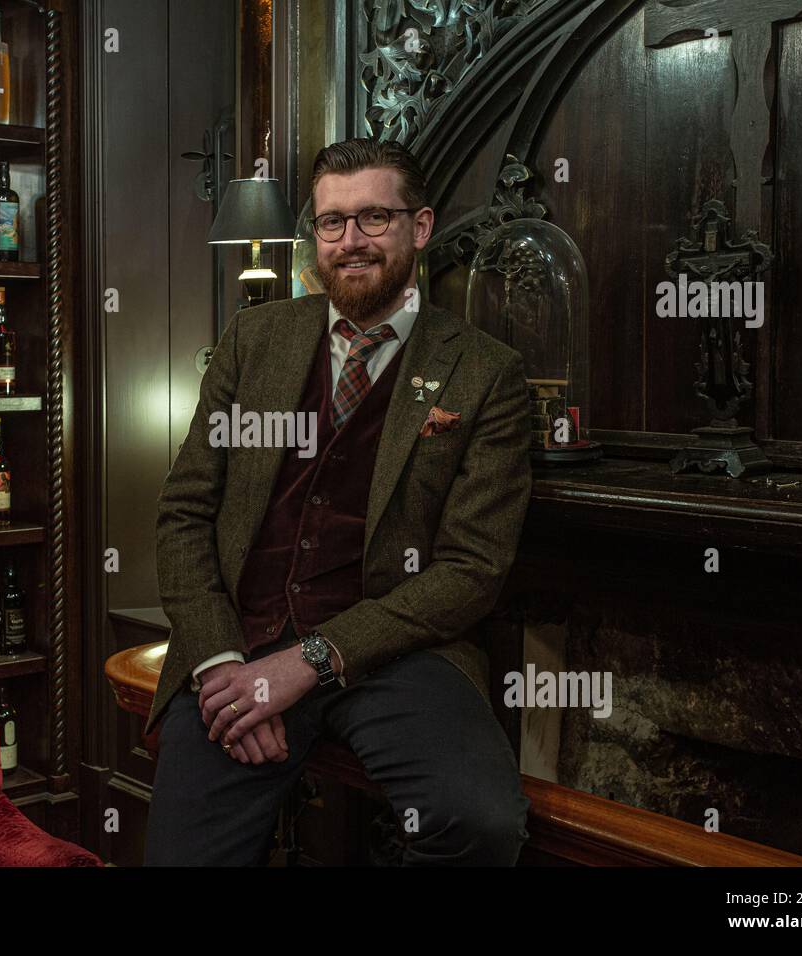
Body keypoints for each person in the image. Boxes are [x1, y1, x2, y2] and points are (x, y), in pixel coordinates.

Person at [144, 137, 532, 865]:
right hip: (242, 639)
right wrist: (224, 662)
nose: (350, 242)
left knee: (478, 821)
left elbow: (472, 570)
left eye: (373, 219)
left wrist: (308, 662)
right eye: (331, 223)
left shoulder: (484, 372)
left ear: (419, 228)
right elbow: (185, 513)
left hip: (396, 651)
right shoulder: (253, 339)